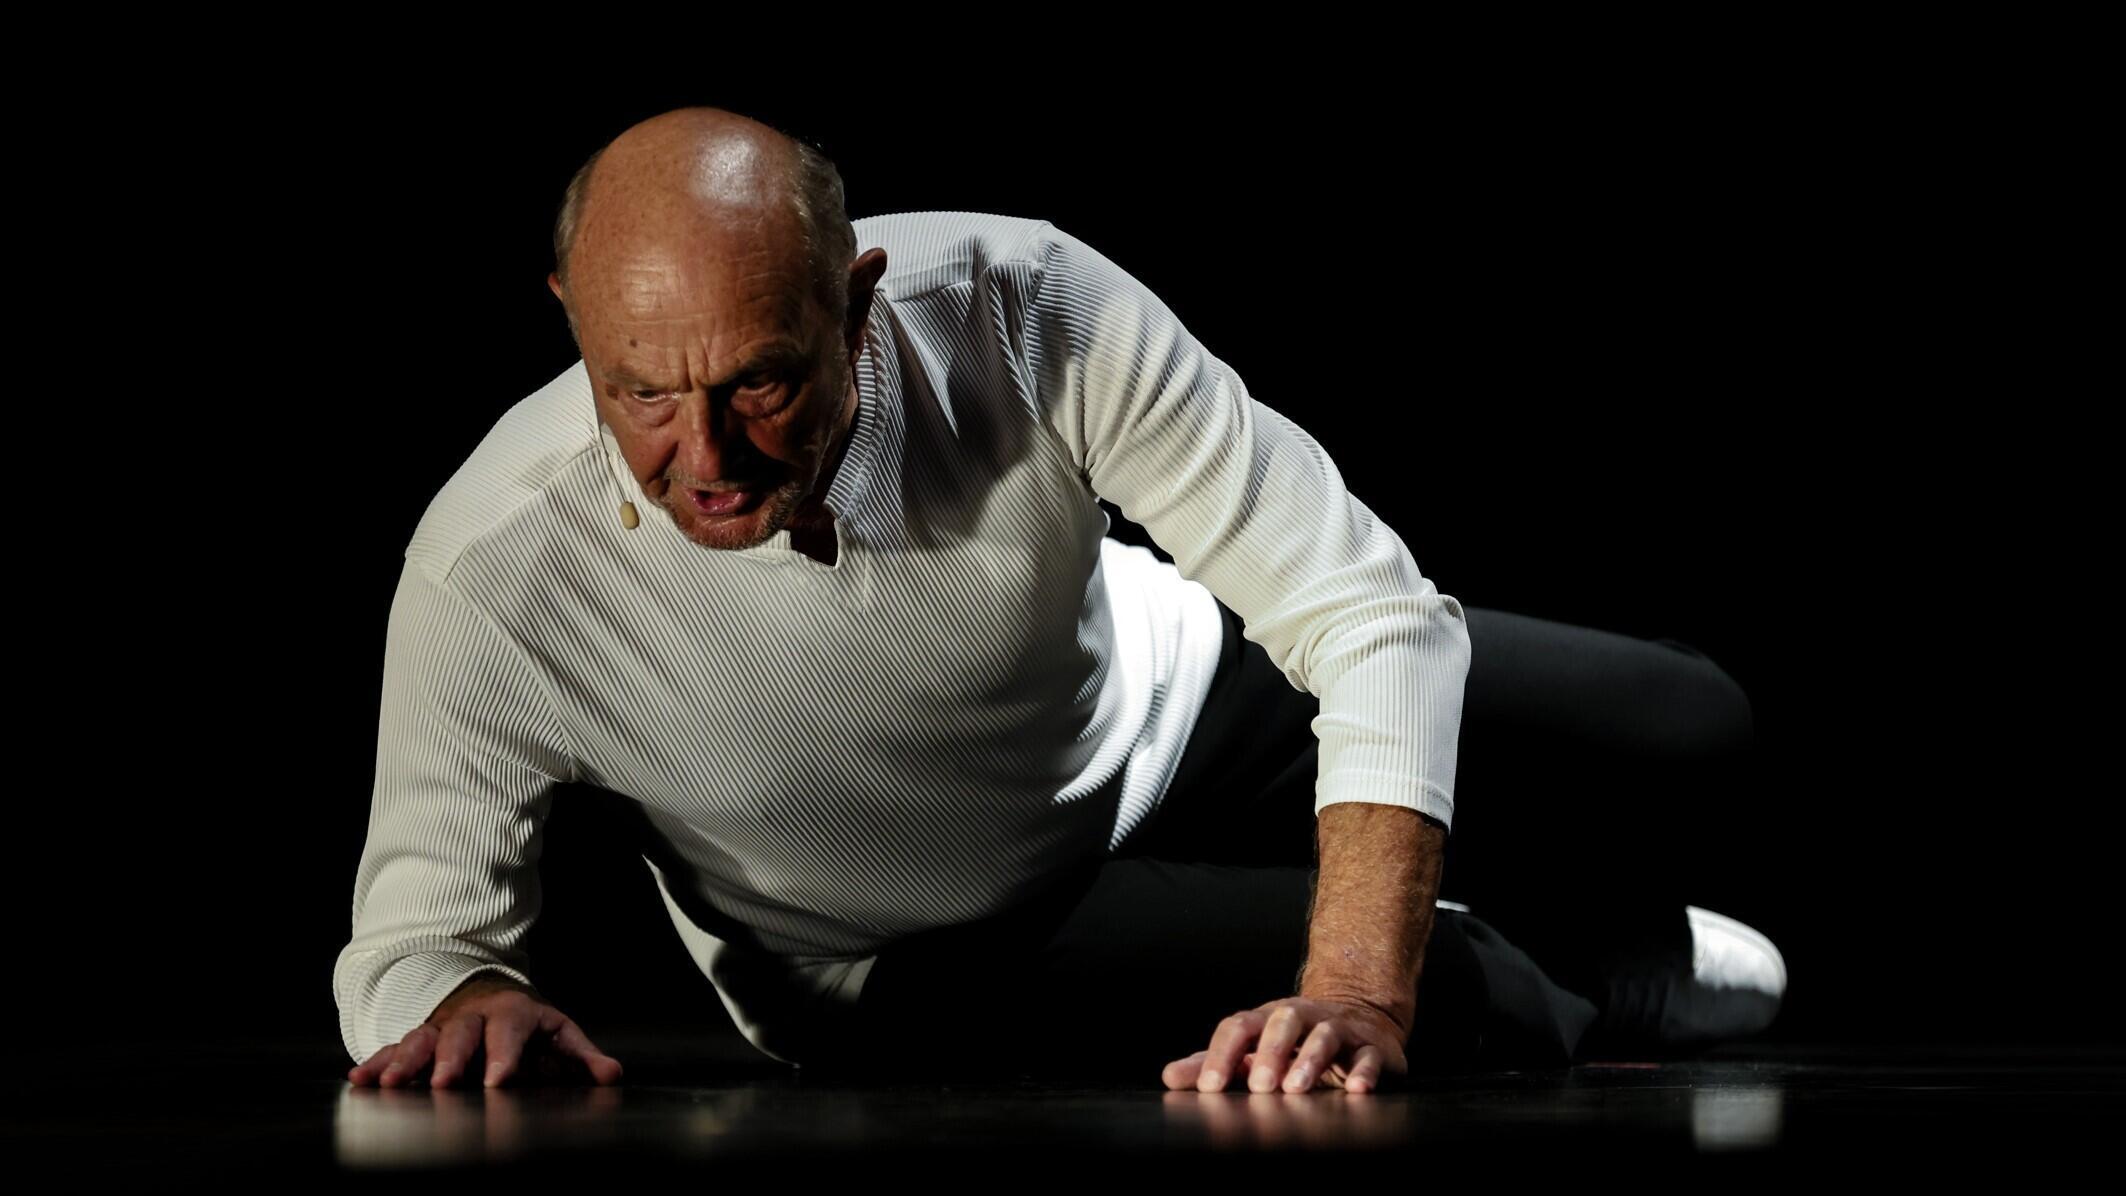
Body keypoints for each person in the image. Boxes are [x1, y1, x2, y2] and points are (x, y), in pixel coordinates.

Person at [336, 106, 1784, 1095]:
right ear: (572, 321)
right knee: (1449, 992)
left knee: (1691, 725)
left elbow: (1366, 608)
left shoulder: (1021, 303)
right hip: (907, 956)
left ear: (858, 304)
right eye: (641, 392)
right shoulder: (492, 565)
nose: (701, 460)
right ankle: (1580, 969)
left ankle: (1454, 904)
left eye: (761, 382)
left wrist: (1351, 971)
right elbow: (413, 941)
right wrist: (461, 1009)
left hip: (1156, 703)